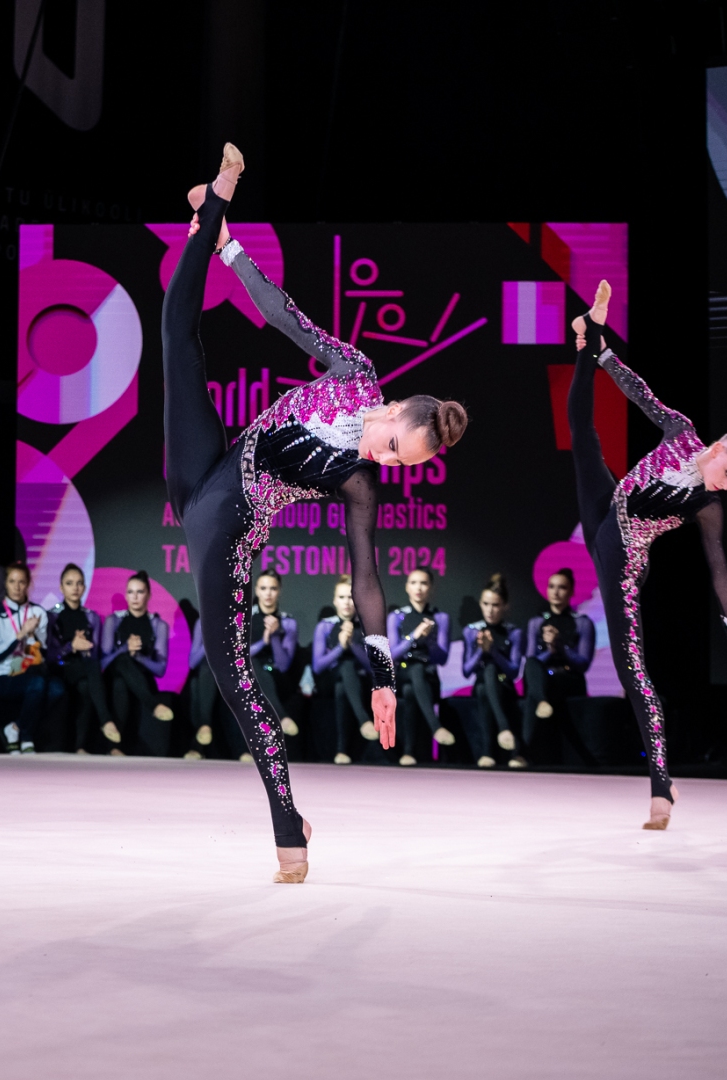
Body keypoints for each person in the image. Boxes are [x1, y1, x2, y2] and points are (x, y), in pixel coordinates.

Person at [168, 145, 467, 881]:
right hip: (206, 470)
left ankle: (287, 822)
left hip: (228, 530)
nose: (387, 461)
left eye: (401, 464)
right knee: (178, 339)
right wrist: (231, 248)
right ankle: (217, 208)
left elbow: (368, 579)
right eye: (394, 446)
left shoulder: (359, 483)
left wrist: (383, 673)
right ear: (391, 410)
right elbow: (281, 314)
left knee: (232, 673)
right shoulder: (356, 373)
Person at [568, 281, 727, 830]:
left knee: (632, 669)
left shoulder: (708, 505)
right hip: (607, 510)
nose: (726, 485)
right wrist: (603, 353)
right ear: (715, 449)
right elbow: (640, 393)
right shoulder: (681, 433)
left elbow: (720, 571)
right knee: (583, 434)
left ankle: (662, 785)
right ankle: (588, 335)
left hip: (625, 559)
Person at [46, 563, 121, 752]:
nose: (75, 588)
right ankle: (106, 720)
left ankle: (80, 746)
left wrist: (85, 649)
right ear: (61, 587)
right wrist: (71, 646)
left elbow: (94, 654)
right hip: (61, 668)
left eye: (79, 583)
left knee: (87, 684)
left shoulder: (91, 617)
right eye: (69, 583)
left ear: (85, 587)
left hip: (84, 669)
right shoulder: (52, 615)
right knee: (90, 669)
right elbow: (50, 655)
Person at [0, 562, 59, 752]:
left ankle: (15, 728)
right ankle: (26, 737)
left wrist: (32, 635)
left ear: (28, 584)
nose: (17, 587)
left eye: (21, 582)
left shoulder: (38, 612)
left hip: (30, 669)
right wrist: (20, 634)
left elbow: (43, 652)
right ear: (5, 583)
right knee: (37, 684)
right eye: (12, 581)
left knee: (57, 690)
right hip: (5, 674)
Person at [388, 566, 456, 766]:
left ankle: (408, 752)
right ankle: (436, 727)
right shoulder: (396, 616)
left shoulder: (440, 618)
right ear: (407, 587)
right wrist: (414, 636)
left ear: (431, 588)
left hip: (428, 677)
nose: (418, 588)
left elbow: (442, 659)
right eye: (414, 583)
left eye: (424, 583)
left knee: (411, 690)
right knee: (414, 671)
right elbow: (392, 654)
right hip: (402, 672)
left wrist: (430, 640)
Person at [522, 567, 595, 751]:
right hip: (543, 678)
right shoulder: (536, 622)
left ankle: (522, 753)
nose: (555, 592)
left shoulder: (582, 622)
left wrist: (560, 646)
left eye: (562, 587)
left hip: (569, 679)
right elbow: (532, 660)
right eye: (551, 586)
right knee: (531, 667)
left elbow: (583, 664)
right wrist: (550, 650)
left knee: (533, 693)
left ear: (571, 591)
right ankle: (542, 701)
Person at [100, 571, 173, 756]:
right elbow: (104, 662)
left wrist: (138, 656)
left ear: (148, 595)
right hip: (114, 673)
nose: (134, 597)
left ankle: (114, 747)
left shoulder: (158, 625)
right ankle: (154, 705)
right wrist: (126, 649)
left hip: (141, 680)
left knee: (121, 683)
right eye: (130, 592)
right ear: (126, 595)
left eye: (140, 592)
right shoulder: (113, 620)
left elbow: (161, 669)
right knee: (122, 665)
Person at [462, 573, 526, 769]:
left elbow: (514, 672)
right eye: (486, 604)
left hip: (505, 685)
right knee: (486, 675)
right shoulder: (471, 631)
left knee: (489, 678)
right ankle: (506, 733)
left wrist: (494, 652)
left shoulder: (513, 632)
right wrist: (481, 651)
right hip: (481, 682)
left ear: (505, 606)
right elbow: (466, 670)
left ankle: (487, 752)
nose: (490, 610)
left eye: (495, 605)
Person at [311, 575, 376, 765]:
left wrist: (352, 644)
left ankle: (342, 751)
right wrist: (341, 647)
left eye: (351, 597)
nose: (346, 602)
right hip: (328, 679)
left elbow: (372, 667)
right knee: (344, 667)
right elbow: (318, 666)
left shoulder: (367, 626)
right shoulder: (325, 626)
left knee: (343, 686)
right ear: (335, 601)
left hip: (359, 681)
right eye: (341, 597)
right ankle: (364, 720)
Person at [248, 570, 300, 738]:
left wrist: (275, 635)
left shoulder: (288, 622)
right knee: (252, 665)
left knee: (264, 673)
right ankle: (281, 717)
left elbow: (283, 665)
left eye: (273, 588)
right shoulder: (246, 618)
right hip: (249, 675)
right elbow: (239, 656)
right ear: (256, 590)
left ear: (279, 591)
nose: (268, 593)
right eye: (263, 588)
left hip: (277, 676)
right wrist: (264, 641)